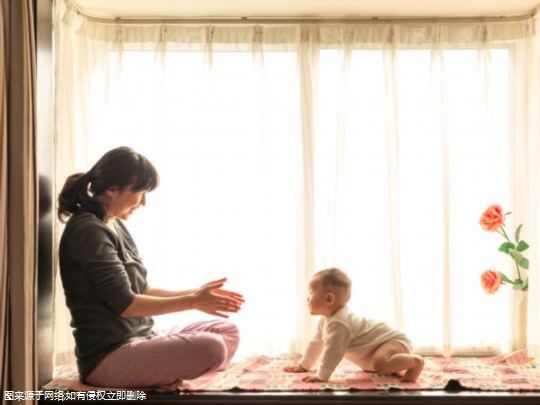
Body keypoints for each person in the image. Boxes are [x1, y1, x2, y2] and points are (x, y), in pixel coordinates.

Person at [57, 146, 244, 388]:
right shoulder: (88, 230)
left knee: (226, 331)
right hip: (108, 357)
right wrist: (194, 301)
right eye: (140, 192)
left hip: (142, 337)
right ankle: (156, 377)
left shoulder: (113, 223)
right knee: (213, 348)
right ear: (113, 189)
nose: (143, 202)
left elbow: (141, 289)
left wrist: (195, 294)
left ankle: (157, 374)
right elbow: (126, 304)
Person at [283, 267, 424, 382]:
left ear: (329, 299)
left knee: (380, 363)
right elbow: (316, 344)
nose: (308, 298)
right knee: (374, 365)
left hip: (394, 341)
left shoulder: (340, 323)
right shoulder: (325, 320)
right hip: (381, 346)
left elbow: (333, 352)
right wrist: (303, 365)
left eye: (311, 292)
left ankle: (416, 363)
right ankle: (394, 364)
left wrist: (322, 376)